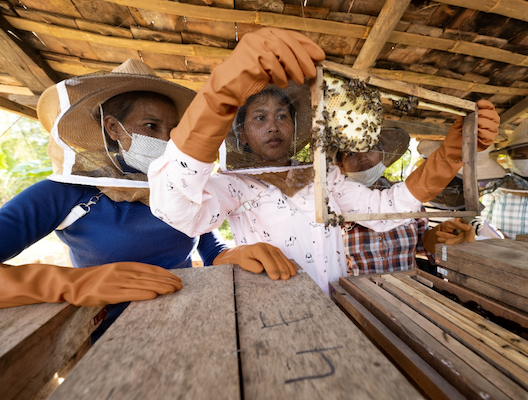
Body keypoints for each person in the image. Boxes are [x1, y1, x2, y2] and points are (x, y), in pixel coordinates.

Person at [147, 27, 500, 294]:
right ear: (241, 134)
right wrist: (218, 94)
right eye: (259, 118)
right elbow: (176, 209)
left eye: (282, 115)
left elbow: (384, 211)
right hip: (275, 307)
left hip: (339, 299)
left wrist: (453, 154)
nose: (273, 126)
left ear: (297, 126)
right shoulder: (231, 184)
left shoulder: (324, 176)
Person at [0, 60, 295, 335]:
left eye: (174, 131)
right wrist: (72, 284)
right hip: (111, 339)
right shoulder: (65, 191)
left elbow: (210, 247)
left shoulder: (180, 187)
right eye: (151, 127)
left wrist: (234, 253)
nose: (166, 141)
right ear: (113, 128)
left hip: (197, 319)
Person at [336, 128, 476, 275]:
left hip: (410, 289)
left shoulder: (410, 200)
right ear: (340, 165)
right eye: (350, 153)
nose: (362, 157)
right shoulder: (334, 204)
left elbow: (422, 245)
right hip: (357, 294)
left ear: (382, 154)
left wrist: (437, 236)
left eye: (369, 148)